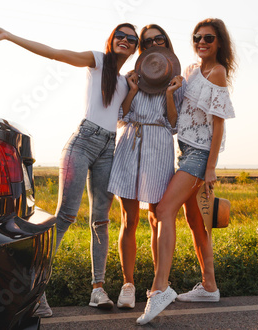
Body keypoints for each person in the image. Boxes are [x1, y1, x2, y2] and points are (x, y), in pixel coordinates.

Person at [0, 23, 139, 316]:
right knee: (65, 216)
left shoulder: (122, 81)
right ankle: (35, 292)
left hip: (108, 147)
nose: (125, 40)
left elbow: (120, 117)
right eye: (121, 35)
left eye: (132, 38)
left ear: (135, 46)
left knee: (100, 221)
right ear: (111, 39)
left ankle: (97, 289)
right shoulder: (97, 61)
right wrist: (10, 35)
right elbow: (56, 53)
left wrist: (132, 89)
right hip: (82, 143)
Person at [136, 18, 236, 325]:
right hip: (186, 151)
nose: (202, 41)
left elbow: (218, 124)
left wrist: (210, 169)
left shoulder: (217, 73)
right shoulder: (192, 71)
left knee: (164, 210)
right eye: (197, 37)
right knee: (196, 223)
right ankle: (209, 286)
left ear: (219, 42)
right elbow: (178, 115)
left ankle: (160, 288)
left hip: (200, 156)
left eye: (208, 37)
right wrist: (171, 90)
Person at [107, 24, 185, 309]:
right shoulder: (133, 76)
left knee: (156, 217)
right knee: (129, 219)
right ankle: (128, 284)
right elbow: (120, 115)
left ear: (166, 41)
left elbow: (174, 125)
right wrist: (132, 89)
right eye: (147, 41)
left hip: (159, 146)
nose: (153, 43)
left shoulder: (177, 81)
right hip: (129, 143)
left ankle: (157, 285)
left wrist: (168, 94)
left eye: (158, 39)